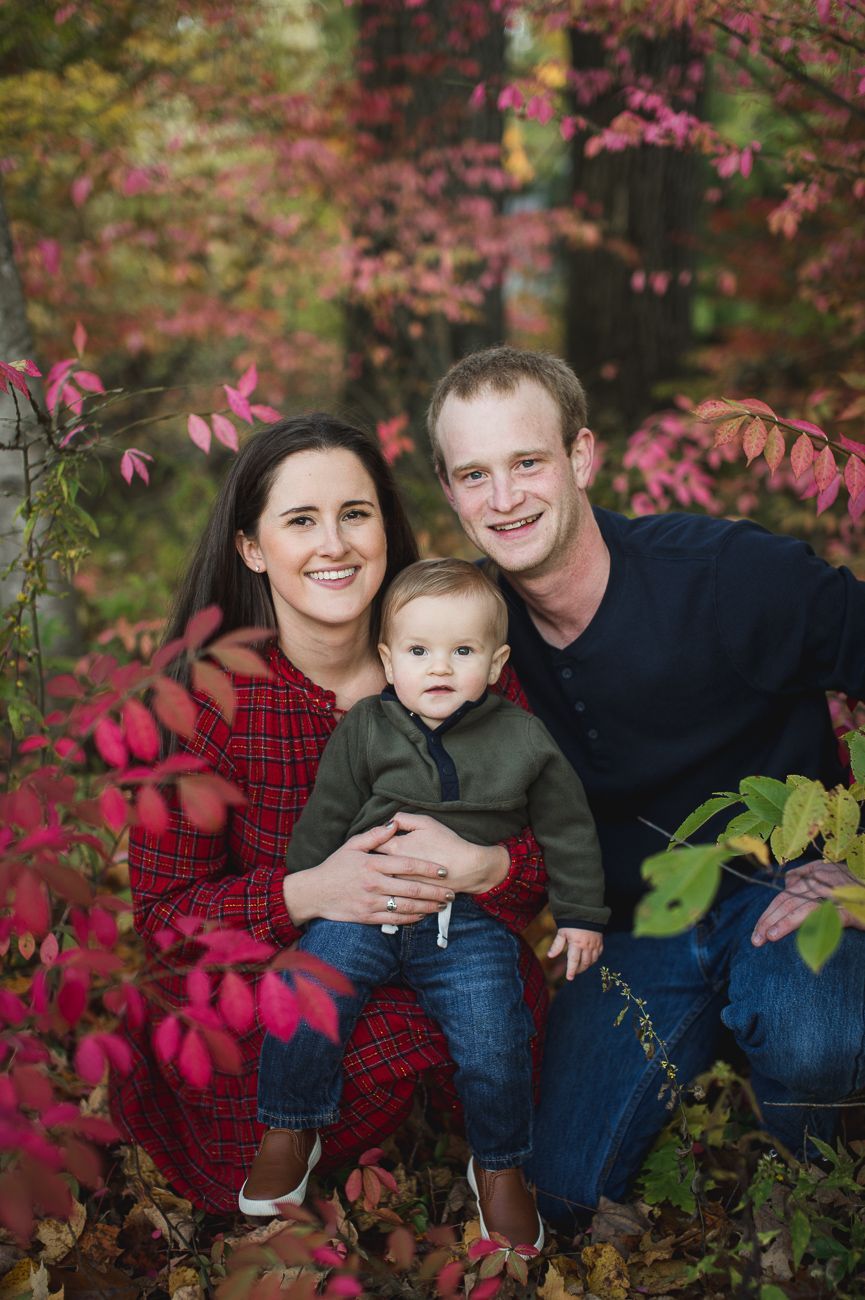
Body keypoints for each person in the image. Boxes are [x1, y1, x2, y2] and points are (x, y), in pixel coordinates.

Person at [426, 345, 865, 1228]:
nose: (503, 498)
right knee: (556, 1194)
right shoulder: (469, 633)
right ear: (449, 493)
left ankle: (816, 1204)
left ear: (581, 458)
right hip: (631, 934)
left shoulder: (724, 576)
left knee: (820, 1040)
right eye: (474, 474)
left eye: (526, 462)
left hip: (780, 889)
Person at [110, 415, 550, 1214]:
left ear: (386, 524)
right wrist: (307, 893)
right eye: (301, 520)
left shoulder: (458, 660)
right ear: (252, 548)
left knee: (488, 1002)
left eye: (355, 513)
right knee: (296, 1016)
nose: (335, 544)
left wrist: (489, 867)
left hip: (448, 953)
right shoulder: (199, 703)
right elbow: (166, 923)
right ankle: (303, 1139)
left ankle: (480, 1159)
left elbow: (542, 854)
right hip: (278, 974)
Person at [239, 559, 607, 1247]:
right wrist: (312, 894)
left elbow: (567, 826)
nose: (438, 668)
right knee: (304, 989)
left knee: (495, 1034)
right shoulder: (366, 728)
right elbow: (327, 814)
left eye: (461, 651)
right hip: (365, 901)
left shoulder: (522, 738)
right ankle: (290, 1127)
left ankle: (499, 1168)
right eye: (417, 651)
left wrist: (582, 913)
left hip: (464, 918)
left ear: (495, 663)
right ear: (387, 659)